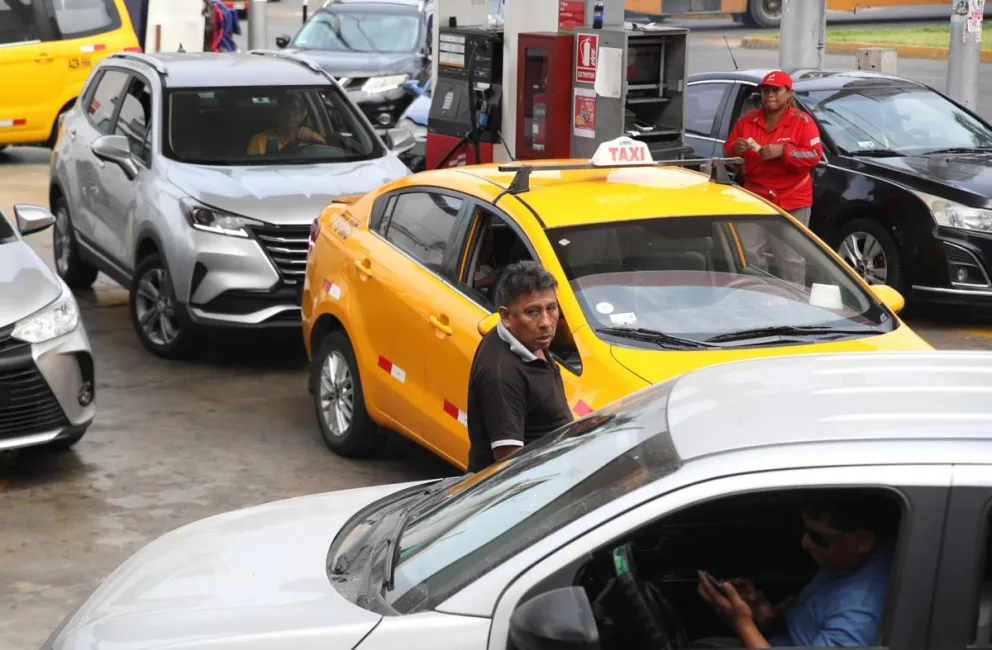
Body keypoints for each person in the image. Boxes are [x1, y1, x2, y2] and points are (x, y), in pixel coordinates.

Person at [695, 492, 899, 649]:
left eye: (817, 537)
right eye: (805, 531)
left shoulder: (859, 614)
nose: (805, 543)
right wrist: (764, 612)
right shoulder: (847, 560)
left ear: (863, 540)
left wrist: (741, 622)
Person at [465, 260, 573, 473]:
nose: (545, 322)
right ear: (506, 316)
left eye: (551, 308)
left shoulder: (529, 339)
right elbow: (509, 463)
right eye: (532, 312)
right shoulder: (502, 374)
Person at [723, 70, 823, 285]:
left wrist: (783, 151)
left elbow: (814, 155)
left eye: (776, 90)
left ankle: (794, 304)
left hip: (792, 199)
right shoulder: (747, 120)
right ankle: (758, 300)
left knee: (790, 259)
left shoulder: (802, 122)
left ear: (788, 93)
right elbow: (728, 153)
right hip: (755, 197)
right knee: (748, 254)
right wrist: (735, 149)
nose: (769, 95)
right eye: (766, 91)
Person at [246, 91, 326, 156]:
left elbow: (327, 155)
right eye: (286, 108)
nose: (290, 114)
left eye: (294, 109)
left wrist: (311, 139)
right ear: (277, 113)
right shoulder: (259, 140)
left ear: (303, 115)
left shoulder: (311, 138)